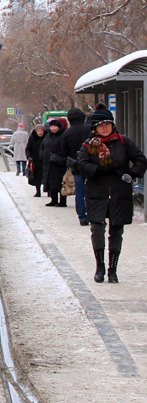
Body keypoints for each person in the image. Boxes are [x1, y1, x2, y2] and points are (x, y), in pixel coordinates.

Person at [75, 106, 147, 283]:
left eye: (107, 124)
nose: (105, 127)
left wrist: (131, 174)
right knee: (97, 230)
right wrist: (99, 170)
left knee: (116, 230)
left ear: (112, 125)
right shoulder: (89, 144)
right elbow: (82, 164)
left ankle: (112, 269)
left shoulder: (123, 142)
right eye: (101, 125)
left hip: (119, 192)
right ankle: (99, 267)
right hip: (96, 193)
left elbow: (140, 160)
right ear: (95, 127)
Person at [61, 106, 92, 226]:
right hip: (91, 165)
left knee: (79, 191)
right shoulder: (90, 129)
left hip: (76, 166)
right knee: (92, 190)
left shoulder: (67, 133)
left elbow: (64, 151)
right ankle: (93, 214)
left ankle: (82, 217)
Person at [41, 118, 70, 207]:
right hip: (48, 163)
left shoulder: (63, 136)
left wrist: (61, 157)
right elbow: (43, 146)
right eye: (52, 126)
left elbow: (66, 148)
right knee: (51, 182)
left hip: (59, 164)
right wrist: (42, 156)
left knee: (61, 182)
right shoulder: (48, 136)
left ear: (59, 127)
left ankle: (63, 201)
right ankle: (53, 200)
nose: (53, 128)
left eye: (55, 126)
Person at [26, 123, 46, 196]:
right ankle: (38, 191)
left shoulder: (46, 138)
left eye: (41, 130)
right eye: (38, 131)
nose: (40, 132)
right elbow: (28, 149)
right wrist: (29, 157)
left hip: (45, 160)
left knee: (46, 176)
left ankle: (49, 191)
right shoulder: (32, 138)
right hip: (35, 161)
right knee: (37, 177)